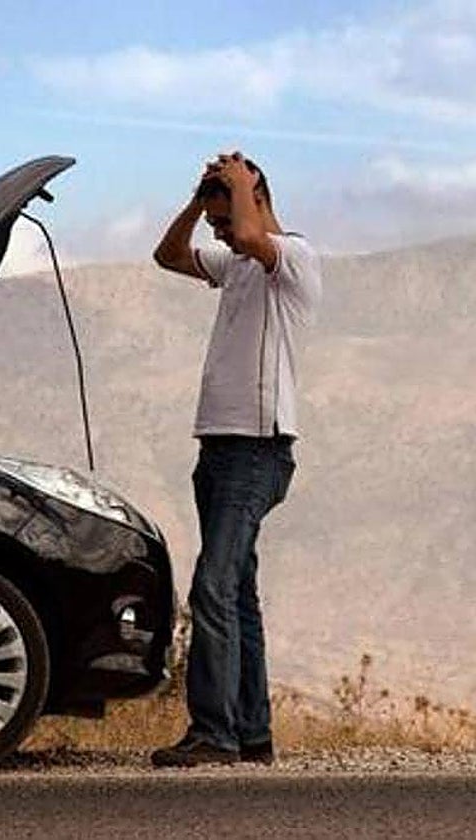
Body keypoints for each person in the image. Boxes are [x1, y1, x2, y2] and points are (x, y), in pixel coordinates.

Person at [149, 151, 322, 767]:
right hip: (220, 445)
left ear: (257, 198)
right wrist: (201, 203)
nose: (220, 235)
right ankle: (252, 735)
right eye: (216, 226)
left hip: (257, 447)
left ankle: (213, 733)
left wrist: (242, 187)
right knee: (239, 592)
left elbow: (251, 232)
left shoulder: (290, 256)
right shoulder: (236, 265)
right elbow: (168, 255)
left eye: (224, 222)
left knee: (213, 586)